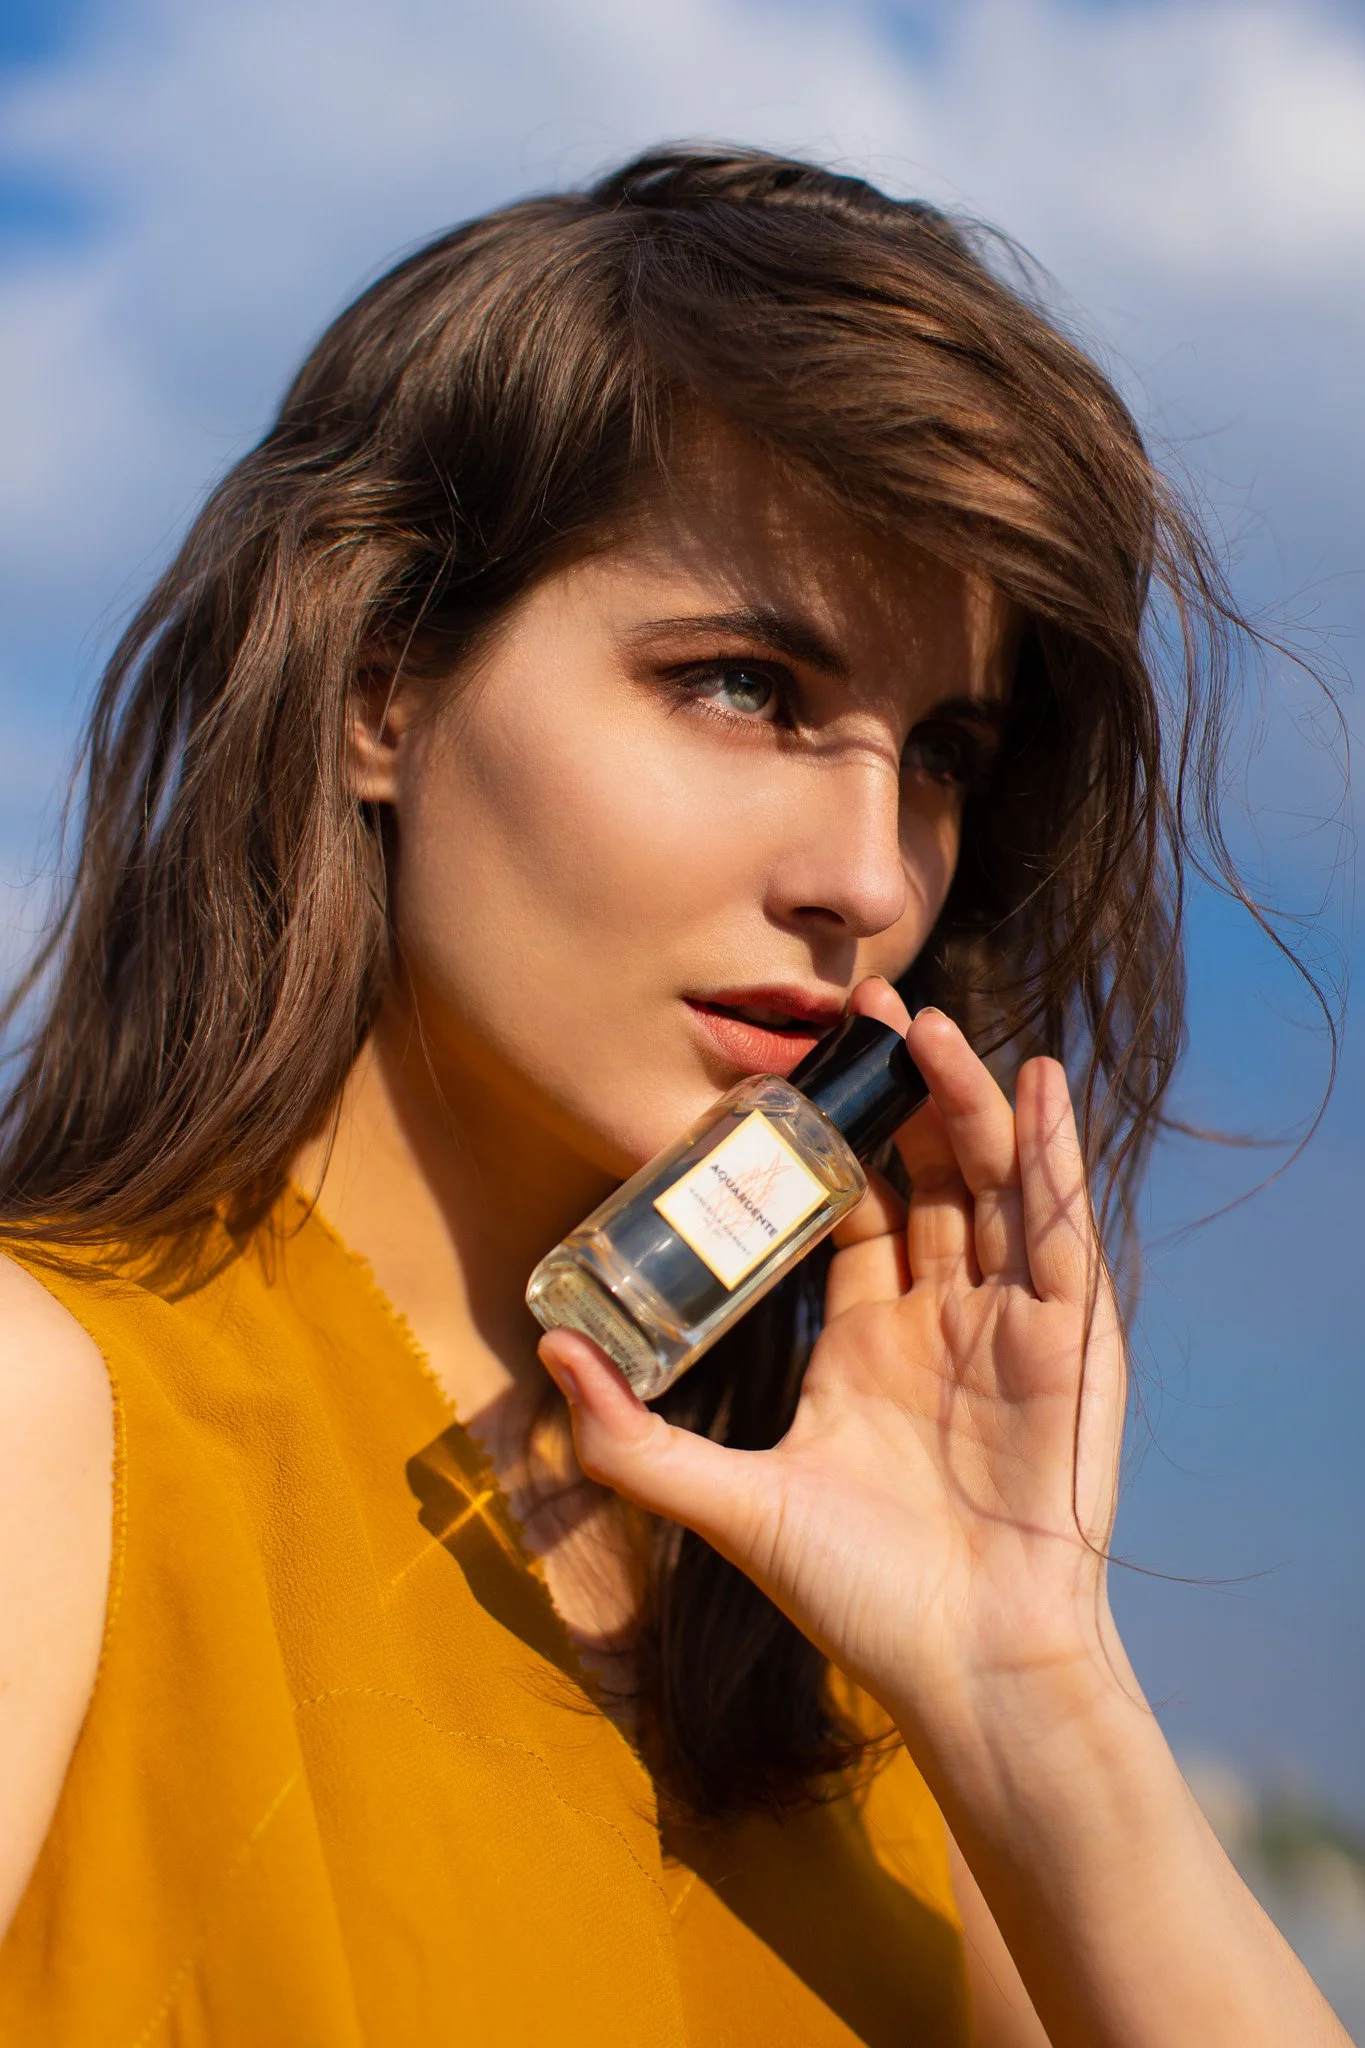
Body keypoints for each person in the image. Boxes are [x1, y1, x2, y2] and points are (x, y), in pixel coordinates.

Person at [0, 145, 1346, 2047]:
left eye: (941, 755)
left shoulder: (847, 1626)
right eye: (741, 687)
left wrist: (1034, 1683)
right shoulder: (57, 1417)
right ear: (382, 689)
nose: (869, 881)